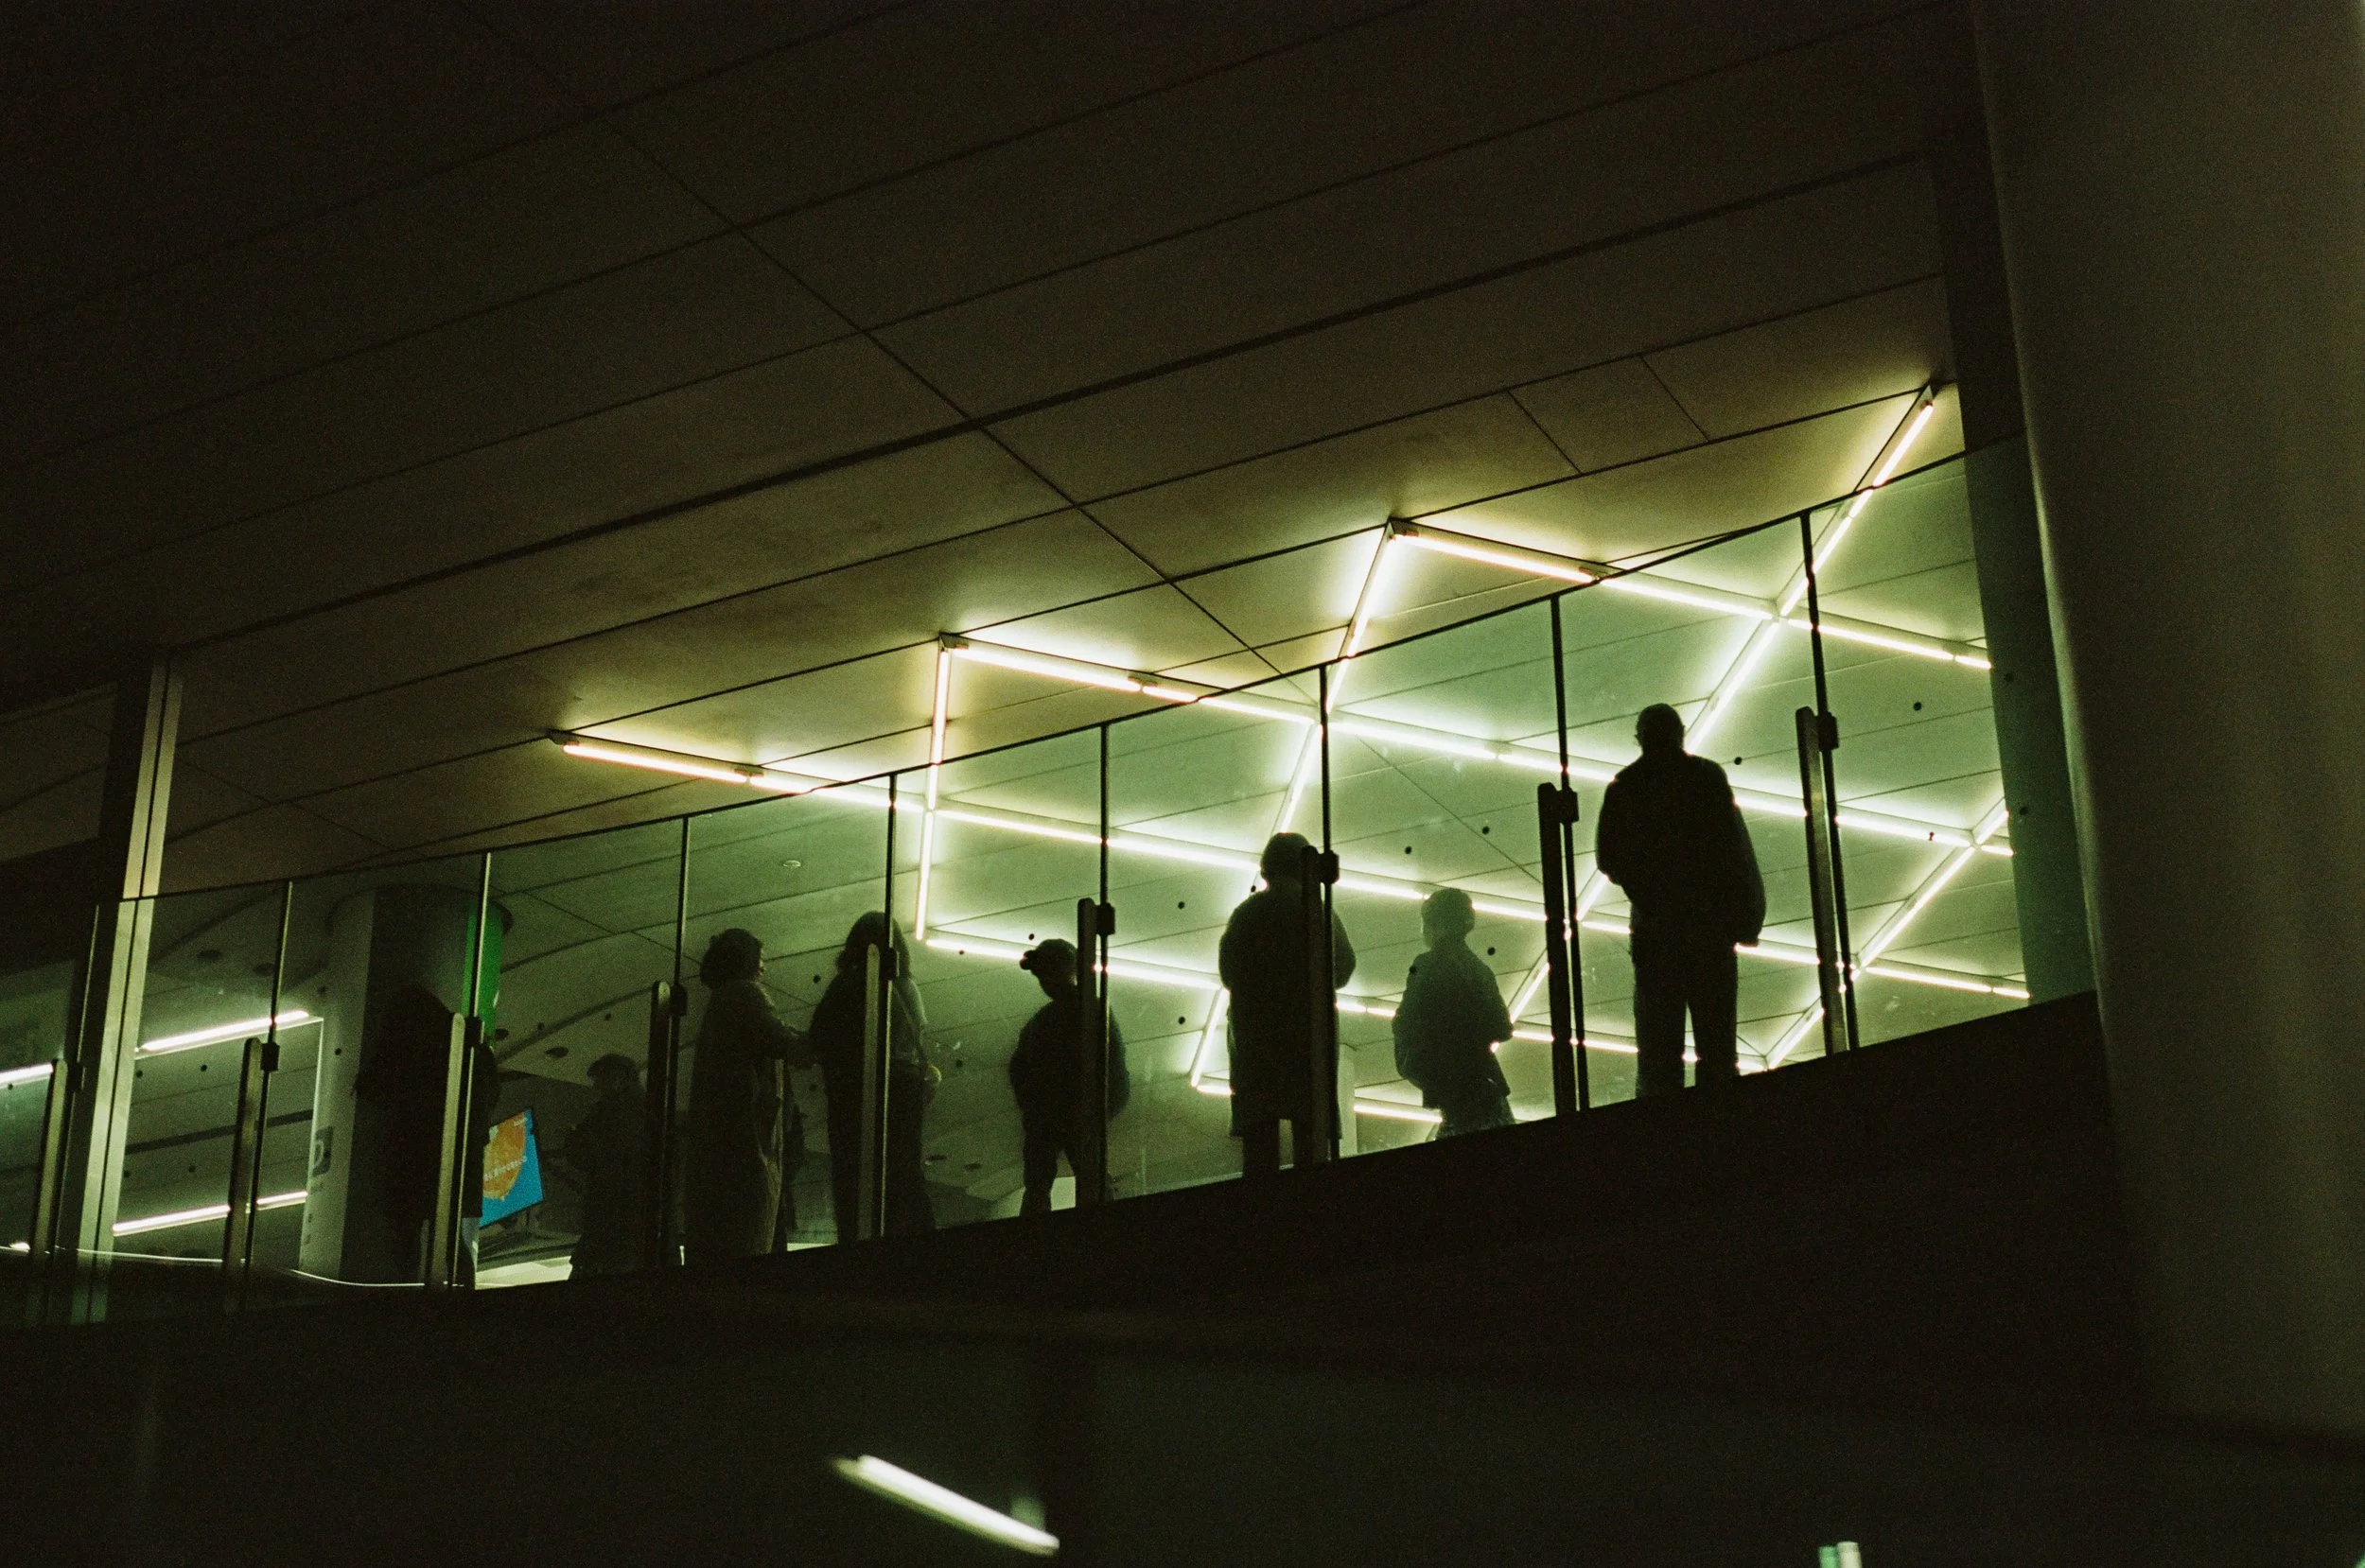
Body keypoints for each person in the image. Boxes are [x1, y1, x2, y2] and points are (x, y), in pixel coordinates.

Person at [1594, 703, 1766, 1098]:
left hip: (1656, 933)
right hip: (1709, 928)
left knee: (1659, 1049)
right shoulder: (1706, 778)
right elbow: (1732, 849)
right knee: (1718, 1044)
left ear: (1640, 737)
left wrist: (1648, 893)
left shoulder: (1625, 787)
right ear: (1681, 733)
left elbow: (1609, 858)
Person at [1218, 831, 1358, 1177]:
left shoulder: (1246, 914)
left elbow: (1228, 972)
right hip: (1306, 1037)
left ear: (1266, 868)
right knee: (1312, 1134)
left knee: (1260, 1143)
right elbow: (1343, 967)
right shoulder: (1317, 910)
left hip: (1256, 1040)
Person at [681, 928, 809, 1265]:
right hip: (746, 1151)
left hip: (722, 1151)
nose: (764, 968)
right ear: (745, 961)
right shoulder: (745, 995)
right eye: (760, 959)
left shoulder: (721, 1002)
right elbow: (783, 1043)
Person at [807, 913, 937, 1239]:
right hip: (905, 1088)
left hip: (857, 1088)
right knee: (905, 1171)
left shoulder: (848, 985)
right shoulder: (908, 986)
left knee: (855, 1172)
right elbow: (916, 1035)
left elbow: (820, 1036)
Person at [1007, 939, 1130, 1215]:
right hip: (1077, 1111)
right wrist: (1102, 1107)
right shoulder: (1090, 1010)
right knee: (1092, 1179)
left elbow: (1018, 1069)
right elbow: (1114, 1065)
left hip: (1049, 1114)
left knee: (1039, 1185)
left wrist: (1034, 1108)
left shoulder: (1042, 1021)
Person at [1391, 889, 1515, 1137]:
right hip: (1485, 1081)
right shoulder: (1479, 968)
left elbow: (1405, 1023)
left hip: (1453, 1086)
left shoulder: (1426, 966)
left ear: (1434, 924)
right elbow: (1502, 1027)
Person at [560, 1053, 647, 1277]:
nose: (596, 1088)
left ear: (617, 1079)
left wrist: (572, 1138)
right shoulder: (650, 1113)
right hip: (634, 1232)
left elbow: (585, 1156)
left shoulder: (609, 1114)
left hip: (607, 1227)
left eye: (600, 1081)